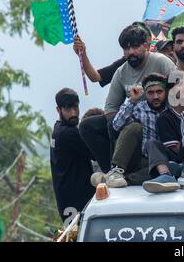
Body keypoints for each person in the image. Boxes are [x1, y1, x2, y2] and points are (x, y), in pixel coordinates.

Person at [78, 23, 176, 173]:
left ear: (146, 45)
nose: (131, 52)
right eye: (126, 48)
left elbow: (180, 92)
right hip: (133, 123)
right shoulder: (121, 71)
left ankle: (124, 170)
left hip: (161, 120)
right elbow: (110, 109)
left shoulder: (161, 61)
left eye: (135, 47)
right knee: (88, 126)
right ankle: (111, 170)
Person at [91, 73, 172, 188]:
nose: (155, 97)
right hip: (137, 157)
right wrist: (132, 100)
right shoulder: (139, 107)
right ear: (145, 93)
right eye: (150, 92)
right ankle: (116, 171)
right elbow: (116, 125)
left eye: (159, 92)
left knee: (170, 168)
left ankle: (114, 180)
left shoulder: (171, 111)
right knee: (134, 127)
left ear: (166, 92)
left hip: (156, 162)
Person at [50, 88, 94, 222]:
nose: (74, 113)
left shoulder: (58, 128)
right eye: (68, 109)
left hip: (67, 201)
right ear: (59, 110)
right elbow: (96, 154)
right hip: (75, 203)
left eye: (75, 107)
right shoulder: (67, 133)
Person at [72, 21, 151, 87]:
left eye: (136, 45)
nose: (131, 51)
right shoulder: (126, 62)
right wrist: (82, 54)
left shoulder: (160, 60)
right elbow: (95, 77)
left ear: (147, 41)